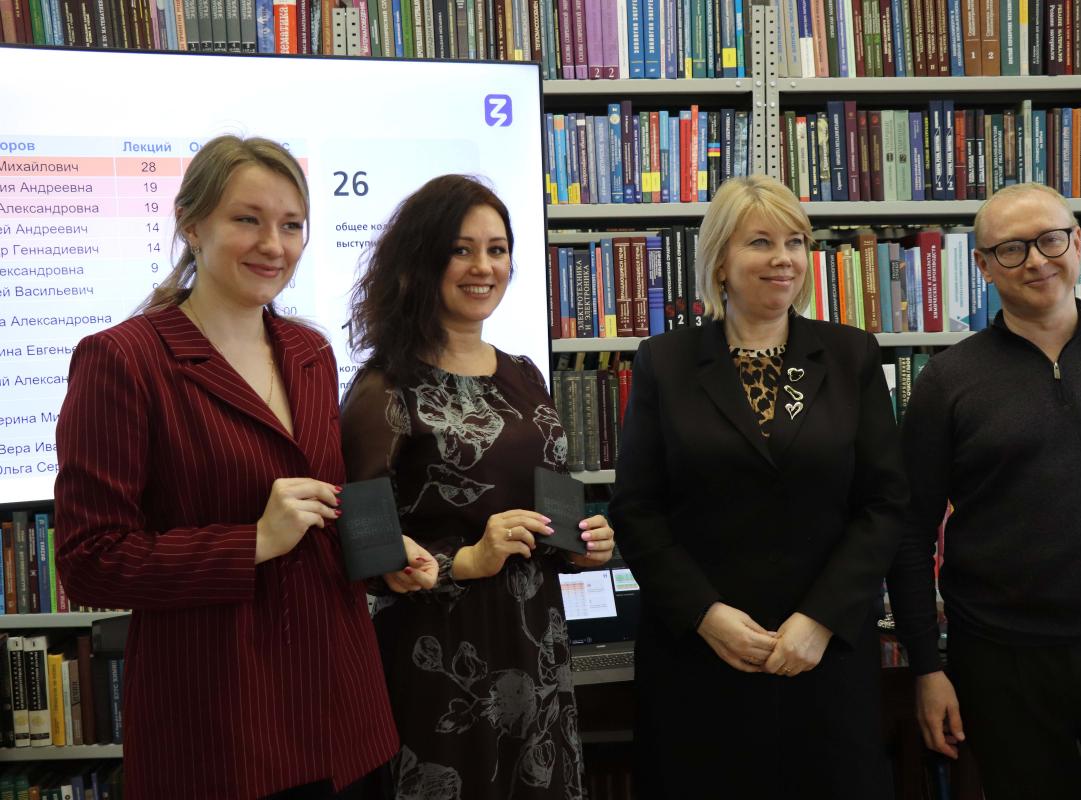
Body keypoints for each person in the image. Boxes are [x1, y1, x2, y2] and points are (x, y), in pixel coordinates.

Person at [53, 135, 438, 800]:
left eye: (291, 225)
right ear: (191, 224)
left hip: (345, 716)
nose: (273, 245)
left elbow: (325, 502)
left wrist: (382, 554)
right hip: (222, 729)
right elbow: (90, 560)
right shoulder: (123, 360)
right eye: (247, 219)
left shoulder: (311, 352)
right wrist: (253, 542)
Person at [887, 182, 1081, 800]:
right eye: (1011, 249)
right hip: (1002, 664)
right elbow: (908, 532)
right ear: (983, 266)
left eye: (1051, 239)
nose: (1035, 260)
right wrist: (927, 665)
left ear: (1077, 242)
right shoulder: (947, 381)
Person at [608, 174, 908, 798]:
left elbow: (884, 503)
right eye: (761, 242)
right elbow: (637, 510)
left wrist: (820, 619)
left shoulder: (851, 355)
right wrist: (706, 615)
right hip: (700, 659)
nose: (784, 259)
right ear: (720, 261)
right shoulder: (665, 361)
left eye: (795, 242)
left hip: (824, 658)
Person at [340, 174, 615, 800]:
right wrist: (467, 559)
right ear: (421, 261)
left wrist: (581, 542)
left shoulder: (524, 374)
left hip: (536, 645)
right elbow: (364, 550)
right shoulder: (383, 389)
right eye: (461, 250)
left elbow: (553, 497)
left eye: (497, 249)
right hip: (439, 659)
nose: (483, 267)